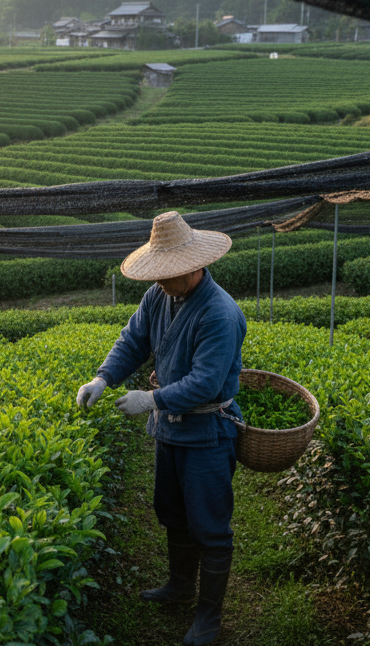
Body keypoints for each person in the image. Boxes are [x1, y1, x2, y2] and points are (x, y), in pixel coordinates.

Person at [76, 210, 245, 646]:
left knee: (209, 525)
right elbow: (133, 340)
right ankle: (178, 585)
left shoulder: (219, 314)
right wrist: (103, 377)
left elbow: (206, 382)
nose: (161, 281)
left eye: (167, 274)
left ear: (192, 267)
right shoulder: (159, 296)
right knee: (172, 512)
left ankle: (208, 616)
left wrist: (150, 399)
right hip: (170, 430)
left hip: (208, 432)